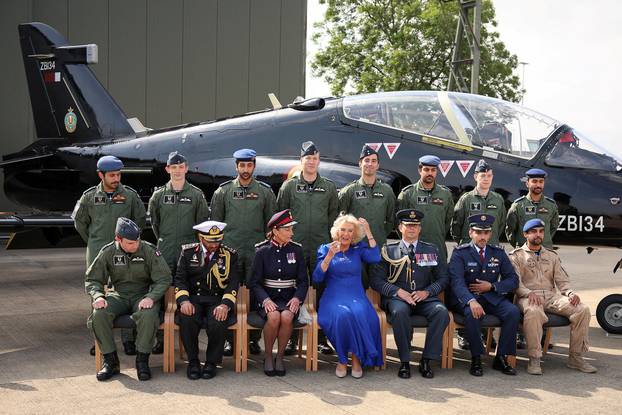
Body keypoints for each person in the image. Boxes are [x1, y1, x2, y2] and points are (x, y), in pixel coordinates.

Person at [73, 155, 147, 356]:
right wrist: (94, 240)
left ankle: (129, 339)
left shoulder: (130, 196)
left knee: (125, 289)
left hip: (123, 251)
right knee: (96, 292)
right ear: (100, 175)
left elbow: (139, 220)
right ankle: (99, 339)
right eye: (112, 175)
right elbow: (80, 223)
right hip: (97, 250)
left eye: (118, 174)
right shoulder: (88, 197)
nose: (116, 178)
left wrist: (126, 245)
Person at [85, 218, 171, 381]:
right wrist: (97, 295)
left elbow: (164, 278)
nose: (135, 245)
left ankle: (142, 361)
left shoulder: (148, 250)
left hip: (143, 295)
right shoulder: (108, 252)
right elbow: (92, 279)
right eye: (130, 243)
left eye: (137, 241)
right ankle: (111, 361)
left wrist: (151, 297)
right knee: (99, 314)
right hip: (118, 295)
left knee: (147, 315)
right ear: (118, 239)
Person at [509, 218, 597, 375]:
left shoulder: (551, 255)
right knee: (534, 312)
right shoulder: (516, 256)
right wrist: (529, 293)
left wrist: (569, 293)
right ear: (525, 234)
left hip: (551, 296)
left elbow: (562, 281)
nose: (538, 235)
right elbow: (516, 284)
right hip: (527, 297)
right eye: (534, 231)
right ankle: (534, 358)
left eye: (541, 231)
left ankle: (575, 358)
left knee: (582, 309)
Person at [210, 148, 276, 356]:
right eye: (242, 165)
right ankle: (230, 339)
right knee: (228, 293)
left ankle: (253, 339)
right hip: (231, 252)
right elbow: (216, 225)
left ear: (254, 166)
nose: (245, 169)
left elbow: (271, 224)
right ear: (236, 166)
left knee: (256, 295)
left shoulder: (265, 191)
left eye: (249, 165)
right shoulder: (223, 192)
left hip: (256, 253)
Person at [370, 209, 449, 379]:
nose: (412, 229)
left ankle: (427, 360)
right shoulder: (388, 251)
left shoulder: (431, 250)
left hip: (424, 299)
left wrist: (427, 292)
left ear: (420, 229)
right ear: (400, 227)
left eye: (415, 225)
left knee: (441, 313)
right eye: (408, 225)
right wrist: (398, 291)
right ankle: (404, 361)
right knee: (400, 312)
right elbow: (376, 280)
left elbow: (443, 278)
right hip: (397, 299)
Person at [276, 141, 338, 355]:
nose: (311, 161)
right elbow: (281, 216)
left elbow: (332, 217)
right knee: (293, 290)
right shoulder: (289, 187)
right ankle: (293, 338)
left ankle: (321, 338)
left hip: (321, 248)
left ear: (319, 160)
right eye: (307, 158)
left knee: (322, 292)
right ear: (301, 161)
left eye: (314, 158)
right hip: (295, 247)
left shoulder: (329, 187)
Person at [148, 151, 210, 354]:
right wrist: (165, 241)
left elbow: (201, 224)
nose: (177, 170)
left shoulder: (196, 195)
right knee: (162, 291)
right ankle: (160, 338)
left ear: (186, 168)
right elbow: (155, 224)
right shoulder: (158, 196)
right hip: (165, 250)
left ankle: (188, 338)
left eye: (180, 166)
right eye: (173, 167)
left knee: (189, 292)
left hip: (189, 251)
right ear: (167, 169)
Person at [447, 214, 520, 377]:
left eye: (486, 233)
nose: (482, 237)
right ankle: (476, 358)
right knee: (473, 314)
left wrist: (493, 286)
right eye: (479, 233)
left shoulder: (498, 253)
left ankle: (501, 357)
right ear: (471, 233)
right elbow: (456, 282)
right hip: (466, 298)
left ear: (490, 234)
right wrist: (471, 301)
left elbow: (513, 280)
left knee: (513, 312)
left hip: (491, 296)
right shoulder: (460, 253)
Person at [312, 214, 383, 378]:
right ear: (337, 231)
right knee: (342, 315)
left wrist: (369, 232)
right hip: (333, 297)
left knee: (360, 313)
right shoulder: (325, 248)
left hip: (356, 295)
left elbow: (375, 257)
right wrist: (329, 257)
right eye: (342, 230)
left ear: (355, 234)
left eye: (350, 231)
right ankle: (343, 360)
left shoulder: (358, 249)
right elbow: (317, 277)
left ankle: (356, 358)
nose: (345, 234)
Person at [174, 220, 239, 380]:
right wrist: (184, 301)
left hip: (217, 299)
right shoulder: (188, 253)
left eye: (218, 240)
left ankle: (212, 362)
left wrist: (225, 305)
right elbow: (180, 279)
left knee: (218, 320)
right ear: (201, 237)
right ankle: (193, 361)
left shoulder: (230, 255)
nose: (215, 244)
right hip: (193, 298)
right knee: (187, 318)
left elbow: (233, 282)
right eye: (211, 241)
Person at [248, 209, 309, 376]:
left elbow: (304, 281)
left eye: (291, 229)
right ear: (275, 231)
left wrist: (297, 298)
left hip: (289, 297)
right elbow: (253, 282)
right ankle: (268, 356)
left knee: (287, 316)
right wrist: (265, 300)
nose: (291, 233)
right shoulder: (262, 251)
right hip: (268, 297)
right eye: (287, 229)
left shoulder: (296, 250)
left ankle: (280, 357)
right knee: (274, 316)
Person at [397, 155, 454, 264]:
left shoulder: (445, 194)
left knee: (438, 279)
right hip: (415, 248)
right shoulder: (408, 193)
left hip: (437, 247)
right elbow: (399, 223)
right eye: (426, 169)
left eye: (433, 170)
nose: (430, 173)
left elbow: (447, 221)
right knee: (418, 278)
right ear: (420, 170)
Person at [338, 144, 396, 249]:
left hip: (378, 246)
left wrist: (379, 234)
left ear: (378, 165)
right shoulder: (349, 191)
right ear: (360, 163)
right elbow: (340, 220)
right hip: (355, 247)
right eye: (367, 160)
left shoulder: (387, 191)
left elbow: (391, 220)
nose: (370, 164)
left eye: (374, 161)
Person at [451, 159, 506, 246]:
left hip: (491, 248)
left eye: (489, 176)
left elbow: (501, 225)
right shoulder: (466, 199)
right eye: (483, 175)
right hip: (469, 248)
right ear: (476, 177)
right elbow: (456, 226)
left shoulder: (498, 199)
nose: (486, 179)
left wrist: (491, 239)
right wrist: (466, 242)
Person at [506, 168, 559, 248]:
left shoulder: (551, 205)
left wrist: (543, 241)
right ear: (527, 183)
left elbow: (553, 227)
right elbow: (510, 230)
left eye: (541, 181)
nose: (538, 185)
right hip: (524, 252)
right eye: (534, 181)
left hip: (545, 251)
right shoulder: (518, 205)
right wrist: (520, 246)